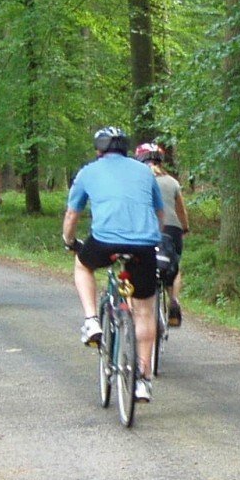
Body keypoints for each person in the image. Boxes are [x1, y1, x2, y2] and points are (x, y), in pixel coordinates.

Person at [63, 126, 168, 402]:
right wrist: (152, 238)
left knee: (83, 264)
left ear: (99, 150)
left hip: (105, 242)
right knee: (144, 310)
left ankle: (91, 321)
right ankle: (143, 380)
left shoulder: (88, 172)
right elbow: (160, 213)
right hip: (144, 246)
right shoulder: (145, 172)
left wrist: (69, 241)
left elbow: (73, 214)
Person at [135, 142, 190, 326]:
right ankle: (173, 300)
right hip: (172, 229)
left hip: (146, 227)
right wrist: (185, 227)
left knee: (139, 263)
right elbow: (181, 210)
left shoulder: (138, 181)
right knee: (173, 264)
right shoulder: (172, 182)